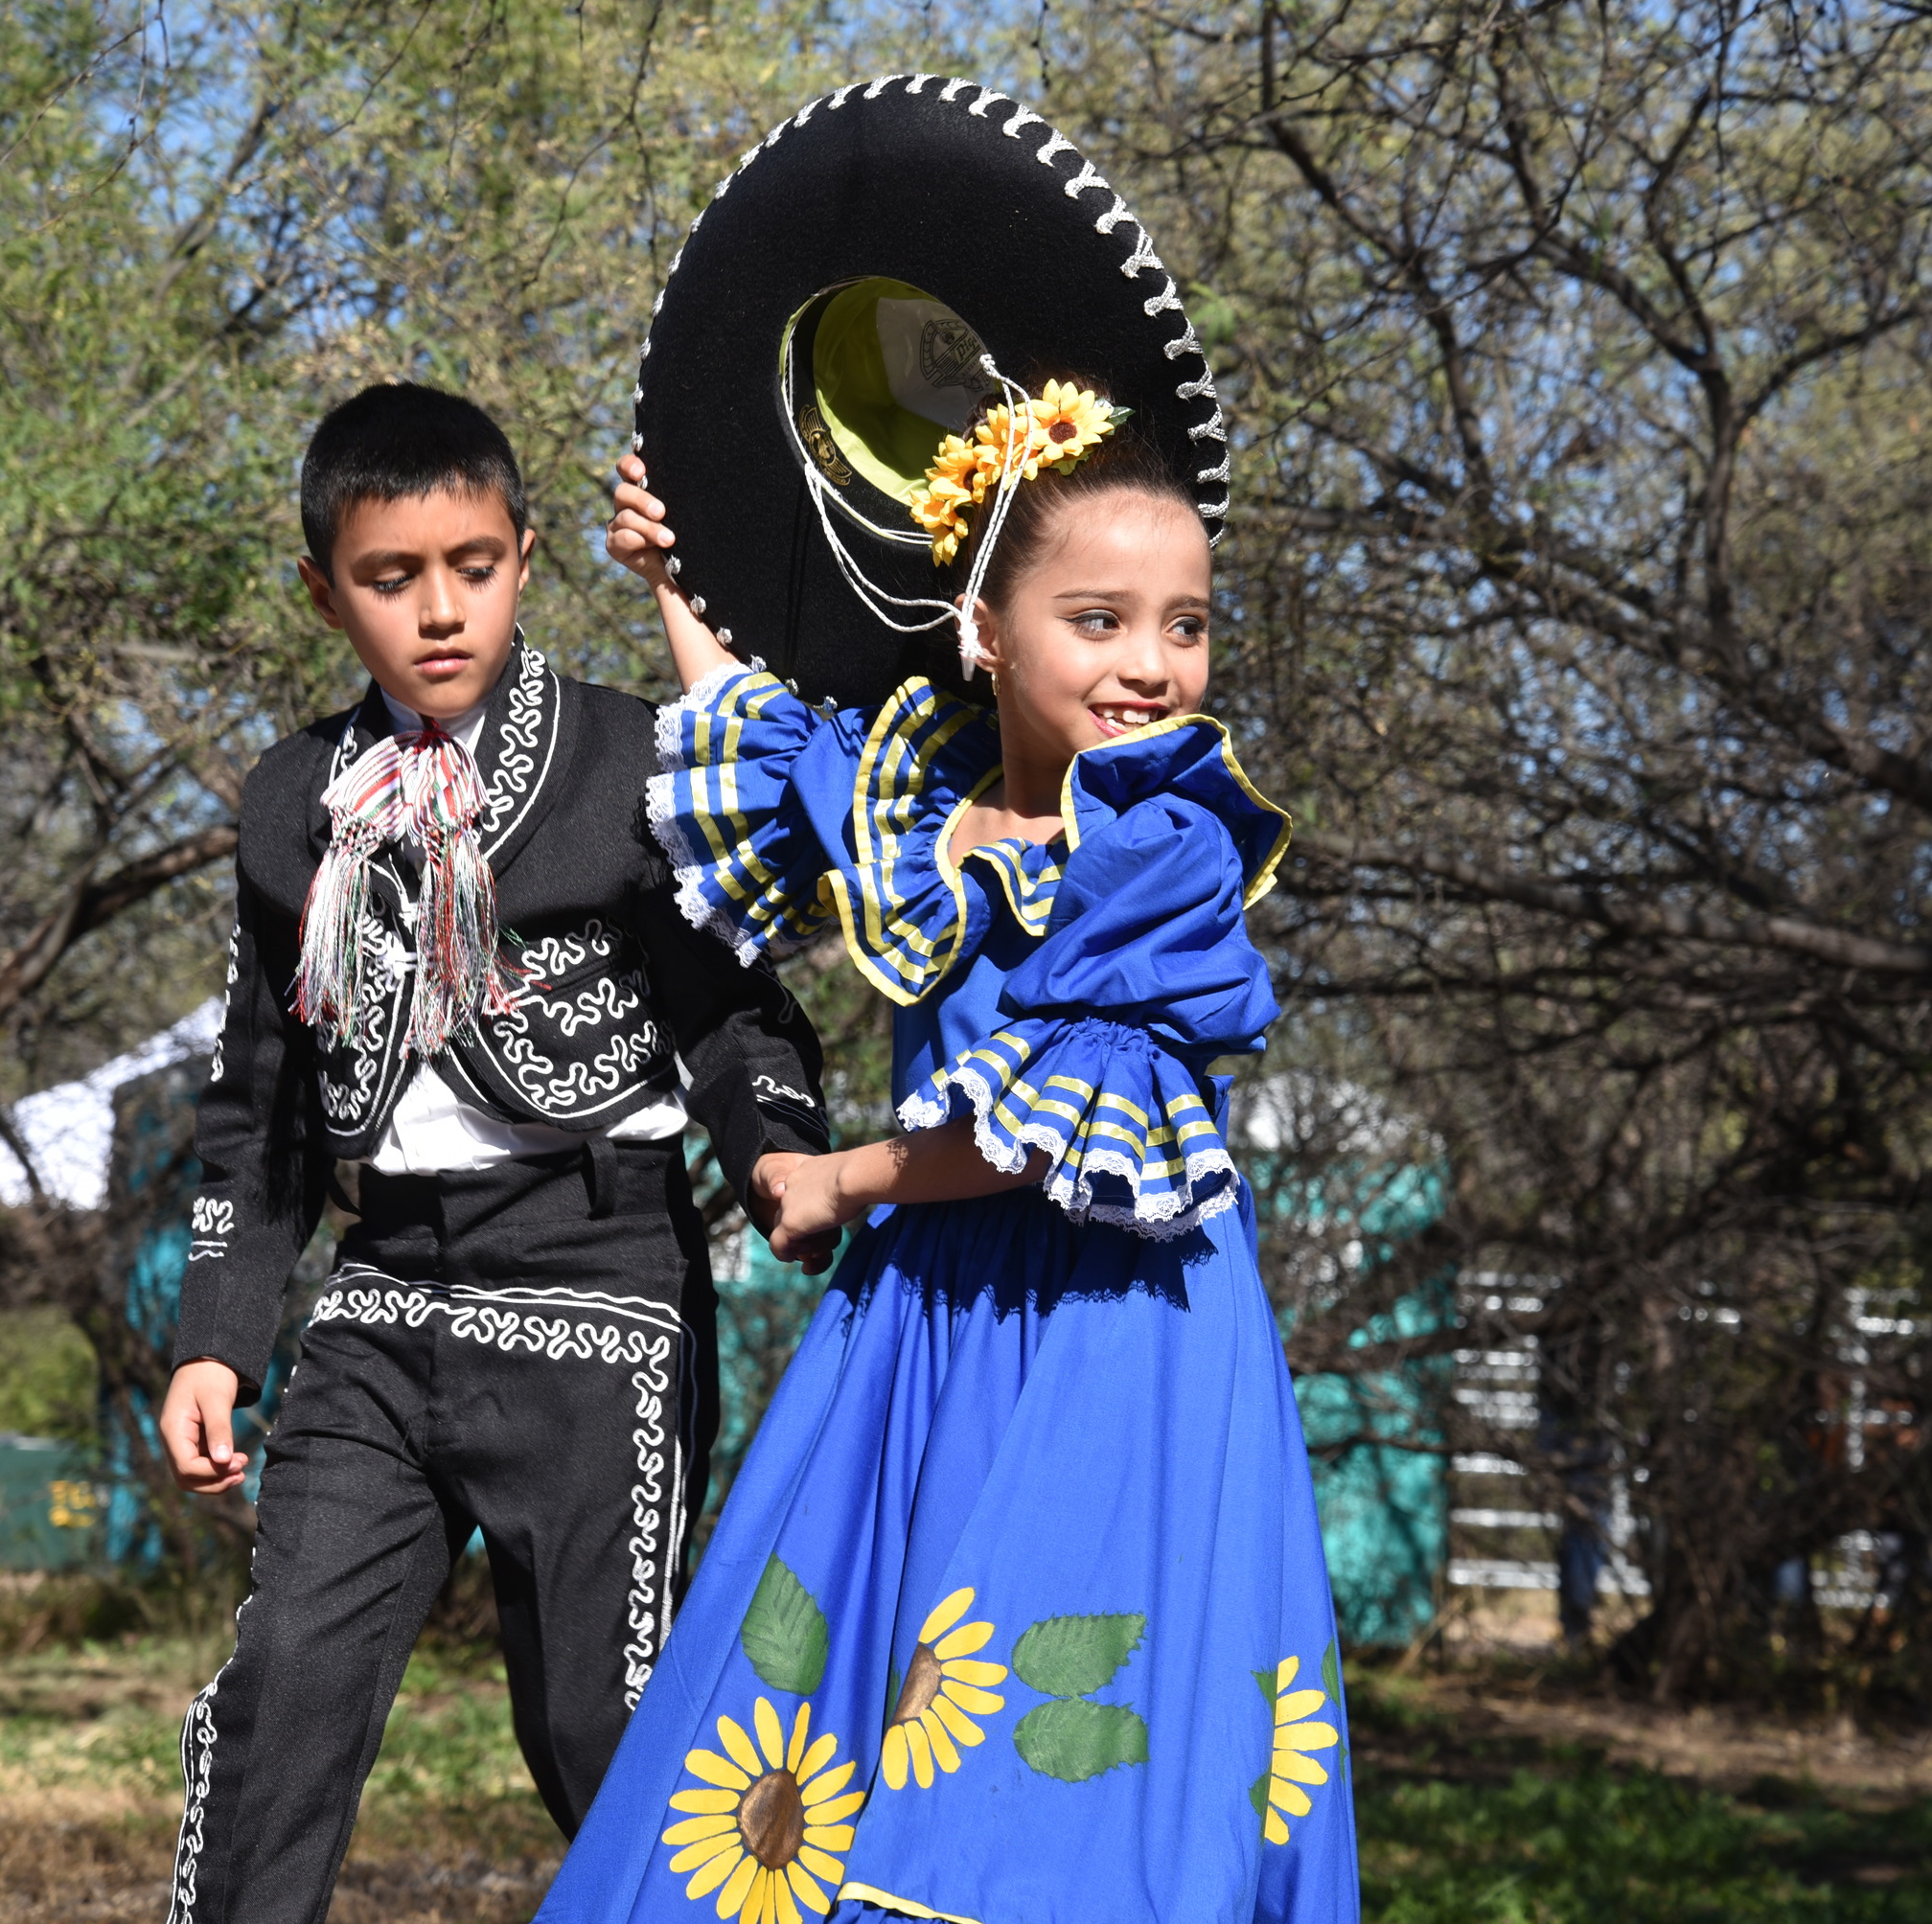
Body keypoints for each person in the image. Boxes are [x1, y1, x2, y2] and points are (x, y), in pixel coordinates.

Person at [533, 384, 1357, 1922]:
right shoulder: (926, 808)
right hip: (930, 1320)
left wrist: (837, 1177)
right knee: (862, 1670)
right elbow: (770, 758)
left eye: (1184, 626)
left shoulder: (1164, 850)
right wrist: (673, 578)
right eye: (1100, 618)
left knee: (1042, 1705)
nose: (1148, 664)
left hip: (1114, 1339)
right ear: (988, 627)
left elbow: (1040, 1142)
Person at [155, 382, 834, 1924]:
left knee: (605, 1729)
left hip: (603, 1300)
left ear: (527, 554)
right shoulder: (287, 805)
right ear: (324, 590)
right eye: (392, 579)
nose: (439, 610)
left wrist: (782, 1155)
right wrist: (218, 1337)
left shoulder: (637, 761)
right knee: (279, 1707)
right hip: (380, 1303)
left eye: (474, 565)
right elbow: (259, 1088)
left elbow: (735, 1012)